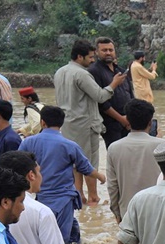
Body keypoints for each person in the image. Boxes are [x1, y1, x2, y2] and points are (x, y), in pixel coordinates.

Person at [53, 39, 127, 207]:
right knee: (88, 162)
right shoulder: (82, 74)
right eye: (91, 57)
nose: (93, 60)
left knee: (75, 161)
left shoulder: (60, 71)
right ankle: (93, 197)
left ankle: (79, 195)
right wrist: (114, 84)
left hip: (67, 123)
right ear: (80, 57)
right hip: (85, 124)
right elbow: (100, 96)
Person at [18, 106, 105, 244]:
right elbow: (86, 168)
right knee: (61, 241)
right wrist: (101, 176)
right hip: (63, 198)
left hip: (40, 197)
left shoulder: (28, 142)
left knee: (53, 234)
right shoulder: (69, 145)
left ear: (42, 122)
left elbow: (17, 164)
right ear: (61, 123)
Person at [106, 99, 165, 244]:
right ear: (150, 122)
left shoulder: (114, 148)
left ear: (127, 121)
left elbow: (112, 186)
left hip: (129, 212)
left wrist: (116, 212)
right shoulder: (163, 145)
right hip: (161, 210)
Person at [88, 37, 134, 150]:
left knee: (131, 154)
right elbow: (101, 102)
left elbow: (131, 95)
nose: (108, 53)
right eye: (104, 50)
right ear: (96, 52)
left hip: (129, 121)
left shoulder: (122, 71)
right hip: (110, 124)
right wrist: (121, 119)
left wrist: (131, 118)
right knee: (116, 155)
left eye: (111, 50)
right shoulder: (93, 71)